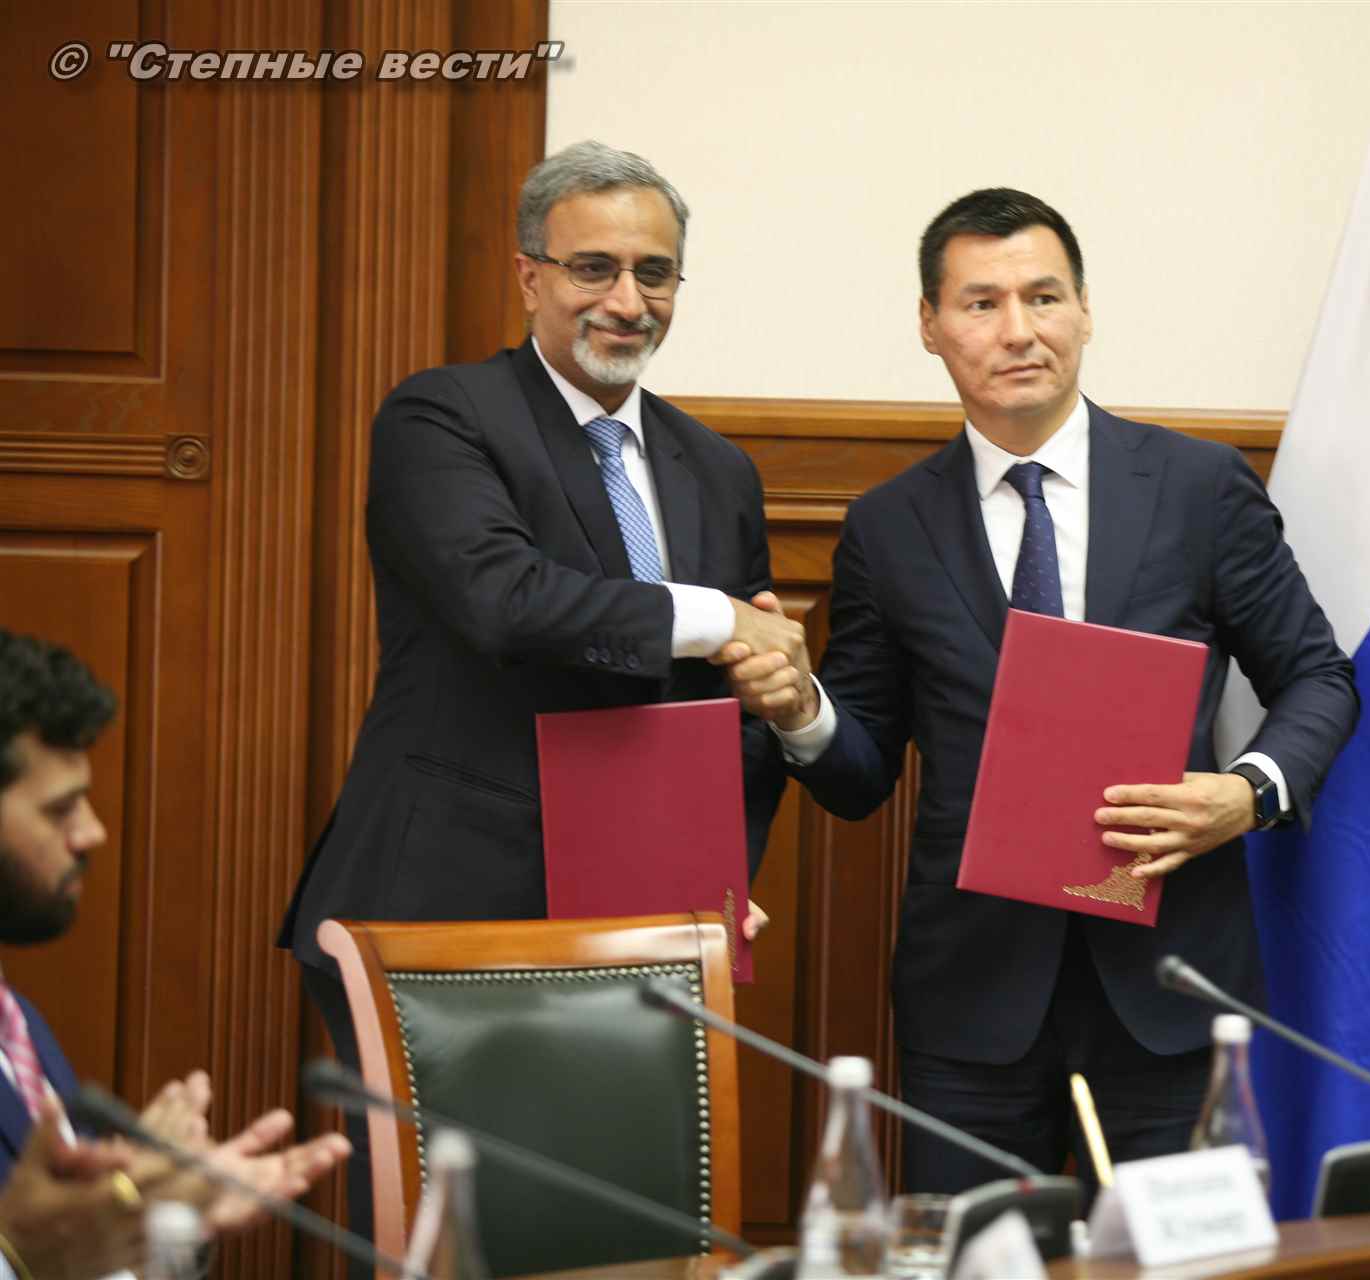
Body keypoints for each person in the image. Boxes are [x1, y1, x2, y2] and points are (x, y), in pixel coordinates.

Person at [723, 188, 1359, 1197]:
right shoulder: (889, 526)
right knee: (980, 1259)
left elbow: (1319, 678)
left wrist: (1247, 792)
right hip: (970, 1005)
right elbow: (859, 775)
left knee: (1180, 1264)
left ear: (1086, 311)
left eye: (1044, 296)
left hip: (1173, 983)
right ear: (931, 325)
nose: (1018, 330)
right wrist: (801, 709)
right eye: (981, 303)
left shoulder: (1198, 487)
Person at [277, 139, 806, 1262]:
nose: (627, 300)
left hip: (638, 926)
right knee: (448, 1248)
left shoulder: (718, 470)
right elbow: (504, 602)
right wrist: (715, 613)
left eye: (653, 272)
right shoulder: (443, 415)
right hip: (445, 916)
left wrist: (722, 873)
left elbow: (724, 716)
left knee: (616, 1250)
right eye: (593, 268)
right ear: (530, 277)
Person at [0, 628, 350, 1278]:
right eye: (60, 809)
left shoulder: (17, 1024)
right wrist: (19, 1253)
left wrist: (162, 1225)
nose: (92, 832)